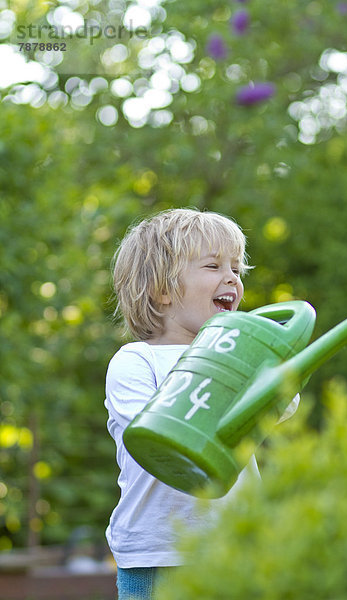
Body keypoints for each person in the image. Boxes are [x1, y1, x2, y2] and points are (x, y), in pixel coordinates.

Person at [104, 208, 297, 599]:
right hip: (157, 553)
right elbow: (158, 431)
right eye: (213, 265)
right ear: (162, 290)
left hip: (236, 545)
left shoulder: (239, 358)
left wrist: (267, 365)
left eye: (236, 269)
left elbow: (285, 403)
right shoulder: (136, 360)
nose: (232, 278)